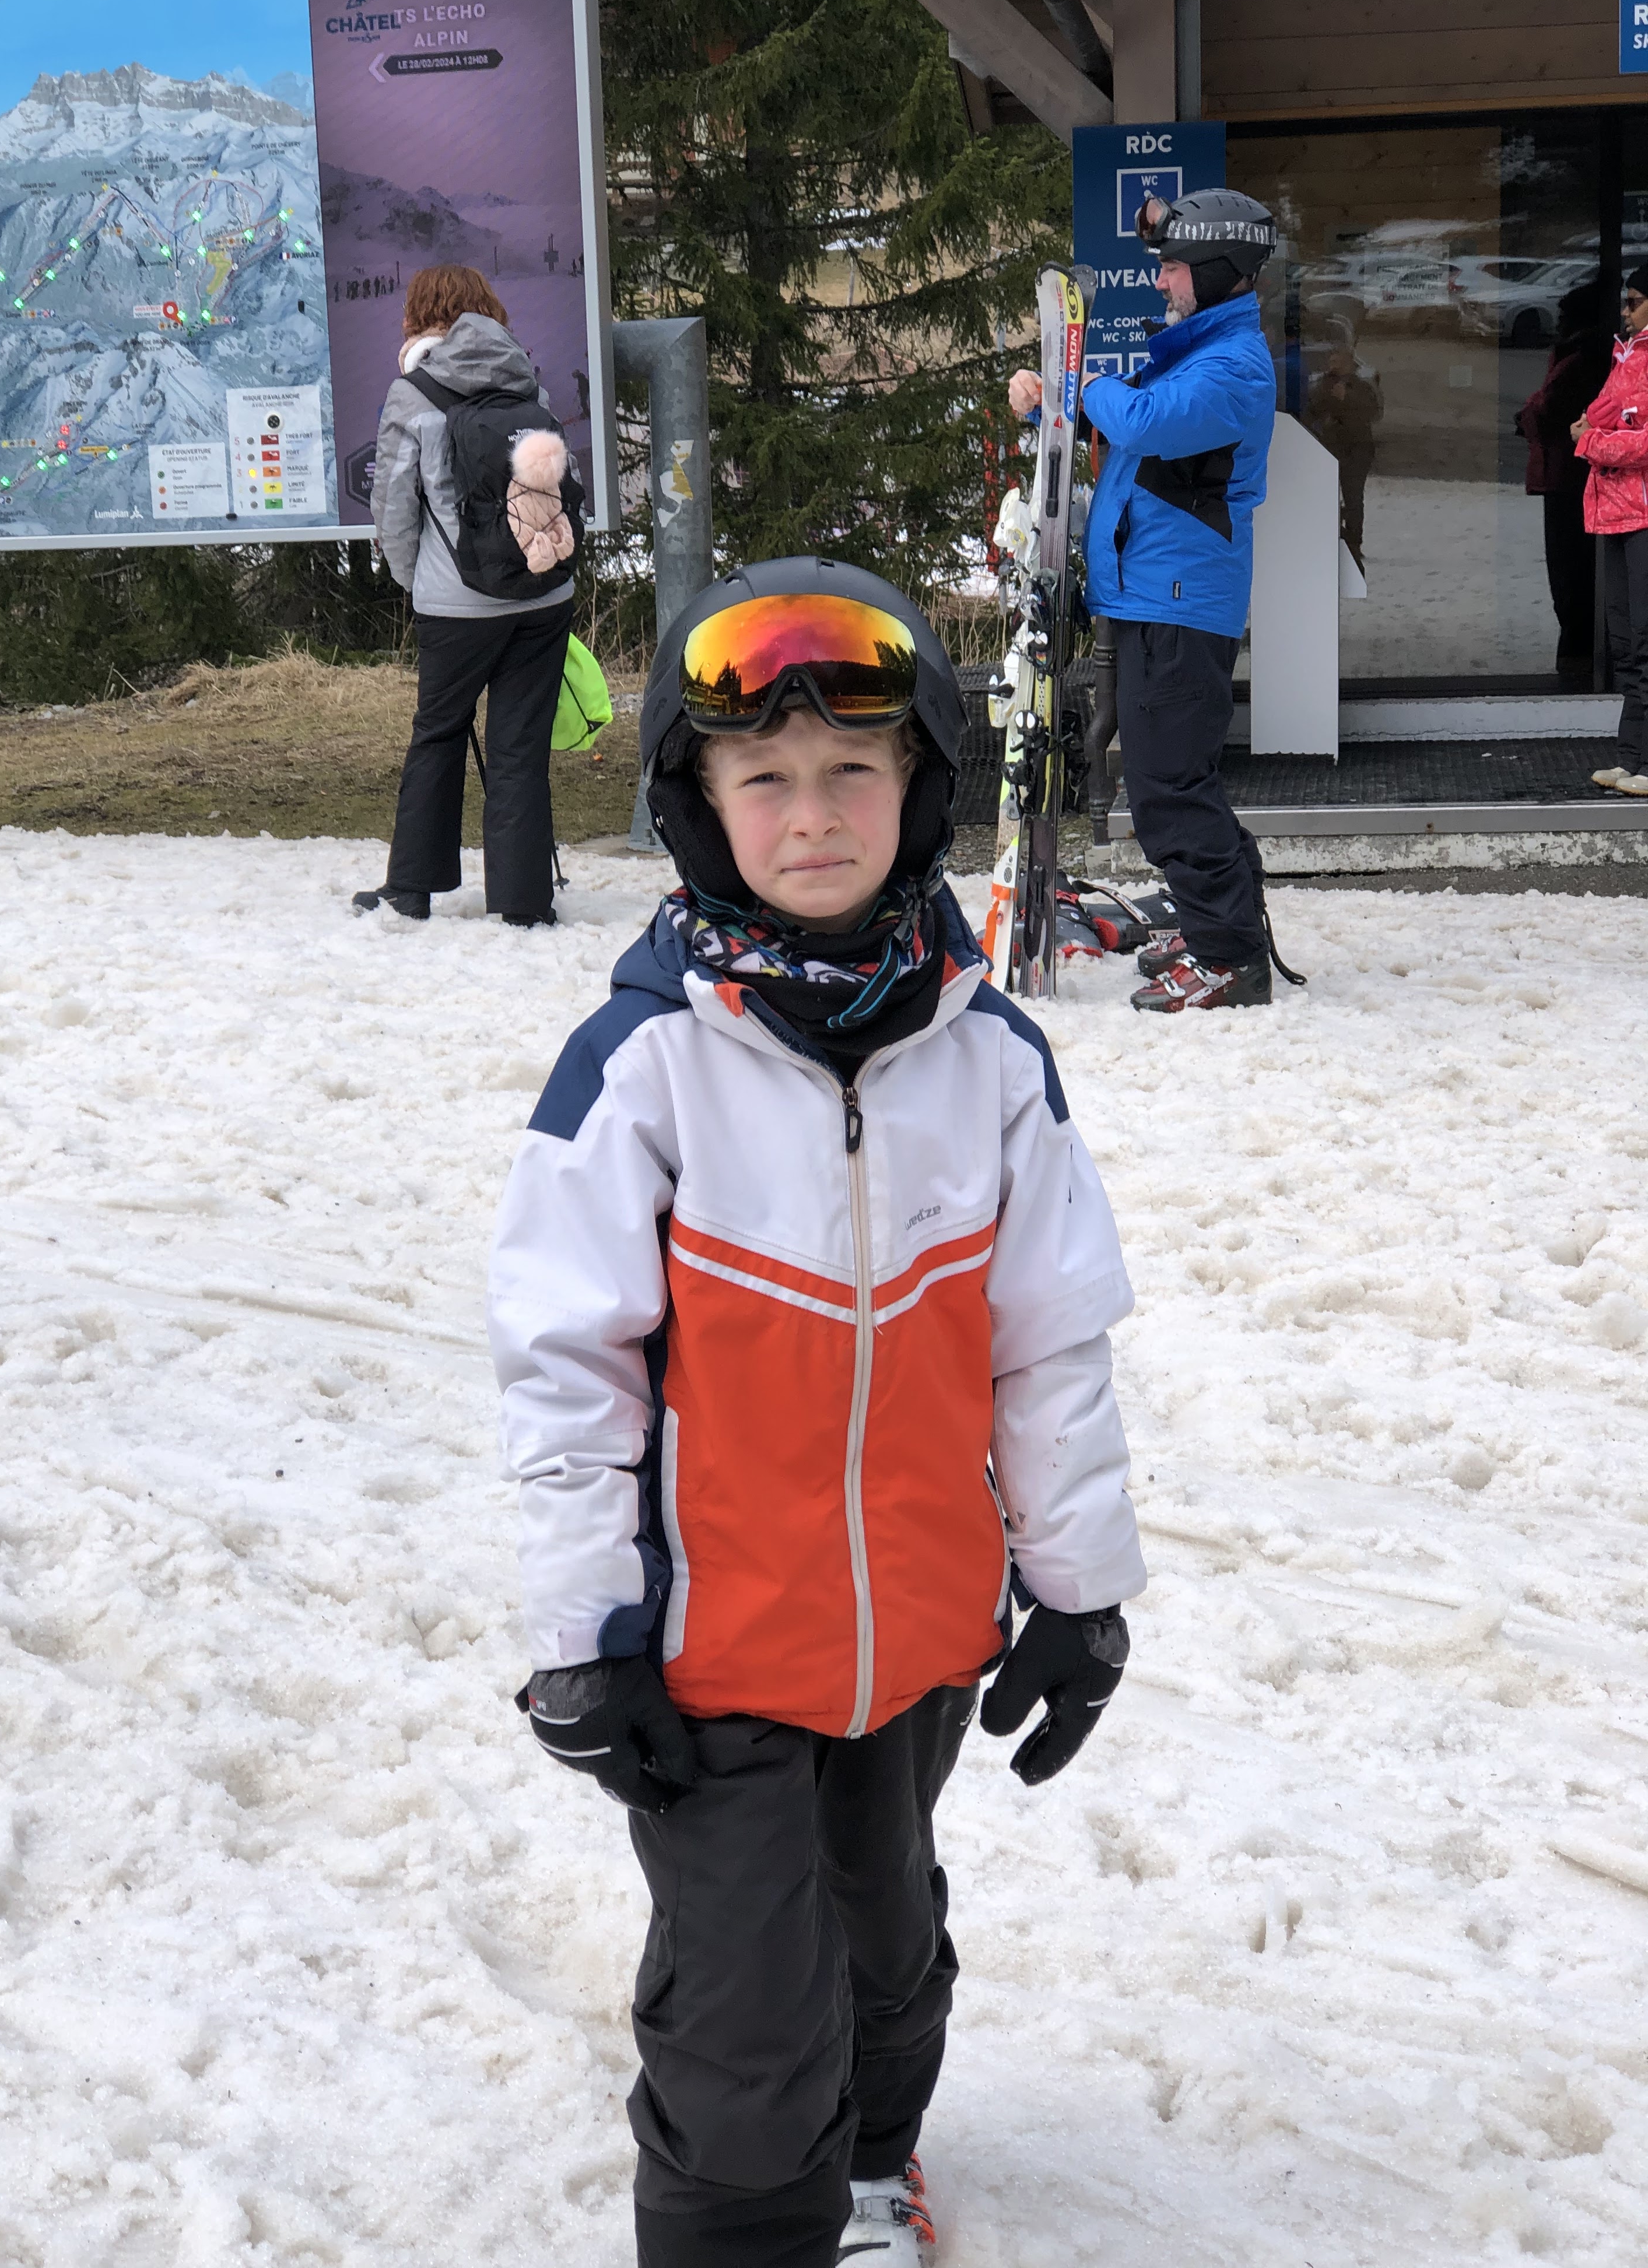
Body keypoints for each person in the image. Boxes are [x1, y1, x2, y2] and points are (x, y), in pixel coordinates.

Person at [488, 557, 1145, 2267]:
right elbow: (566, 1367)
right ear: (699, 804)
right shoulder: (641, 1071)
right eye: (763, 777)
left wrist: (1079, 1597)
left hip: (917, 1640)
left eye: (853, 769)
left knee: (886, 1953)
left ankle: (870, 2166)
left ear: (919, 784)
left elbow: (1050, 1347)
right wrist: (585, 1637)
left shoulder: (991, 1064)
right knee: (746, 2022)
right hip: (706, 1659)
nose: (812, 815)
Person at [1008, 188, 1283, 1011]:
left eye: (1174, 267)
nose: (1161, 281)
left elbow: (1145, 422)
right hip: (1149, 596)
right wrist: (1051, 405)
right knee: (1176, 778)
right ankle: (1217, 923)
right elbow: (1122, 434)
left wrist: (1078, 382)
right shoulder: (1192, 354)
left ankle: (1232, 959)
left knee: (1168, 787)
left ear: (1219, 269)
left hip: (1180, 603)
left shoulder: (1233, 368)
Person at [354, 264, 577, 926]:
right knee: (520, 747)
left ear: (416, 318)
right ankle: (525, 903)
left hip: (455, 606)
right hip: (543, 594)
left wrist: (415, 580)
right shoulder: (527, 381)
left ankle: (411, 890)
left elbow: (394, 506)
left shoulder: (413, 394)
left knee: (439, 734)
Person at [1572, 266, 1648, 794]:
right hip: (1618, 510)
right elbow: (1594, 416)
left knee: (1645, 640)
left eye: (1635, 301)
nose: (1624, 310)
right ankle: (1631, 758)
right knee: (1625, 642)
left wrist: (1592, 441)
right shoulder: (1628, 355)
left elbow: (1640, 442)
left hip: (1643, 513)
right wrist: (1594, 431)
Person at [1517, 277, 1612, 685]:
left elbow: (1548, 413)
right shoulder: (1584, 356)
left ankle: (1578, 661)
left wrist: (1529, 416)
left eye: (1563, 315)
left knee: (1571, 575)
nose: (1557, 322)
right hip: (1566, 475)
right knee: (1576, 573)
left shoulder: (1579, 361)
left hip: (1567, 477)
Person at [1303, 315, 1383, 576]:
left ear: (1349, 362)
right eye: (1332, 360)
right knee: (1327, 498)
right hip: (1330, 448)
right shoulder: (1321, 384)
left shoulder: (1362, 385)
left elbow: (1373, 412)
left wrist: (1347, 398)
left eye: (1338, 360)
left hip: (1357, 449)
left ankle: (1354, 542)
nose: (1333, 364)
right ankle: (1334, 538)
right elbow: (1312, 411)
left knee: (1353, 498)